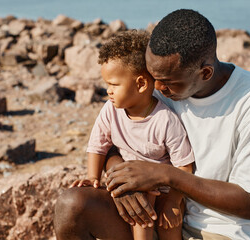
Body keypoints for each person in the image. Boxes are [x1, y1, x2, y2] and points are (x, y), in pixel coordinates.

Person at [54, 9, 250, 240]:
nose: (156, 88)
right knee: (72, 205)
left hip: (222, 229)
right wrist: (125, 183)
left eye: (166, 82)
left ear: (205, 73)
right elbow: (114, 142)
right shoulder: (163, 83)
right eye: (152, 77)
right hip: (153, 213)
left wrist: (166, 176)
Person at [64, 30, 194, 240]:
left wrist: (173, 202)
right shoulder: (110, 110)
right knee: (140, 210)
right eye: (107, 84)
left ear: (141, 84)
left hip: (164, 190)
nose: (108, 91)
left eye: (114, 84)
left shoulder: (165, 120)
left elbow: (185, 166)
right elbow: (98, 145)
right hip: (130, 186)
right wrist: (92, 178)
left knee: (170, 226)